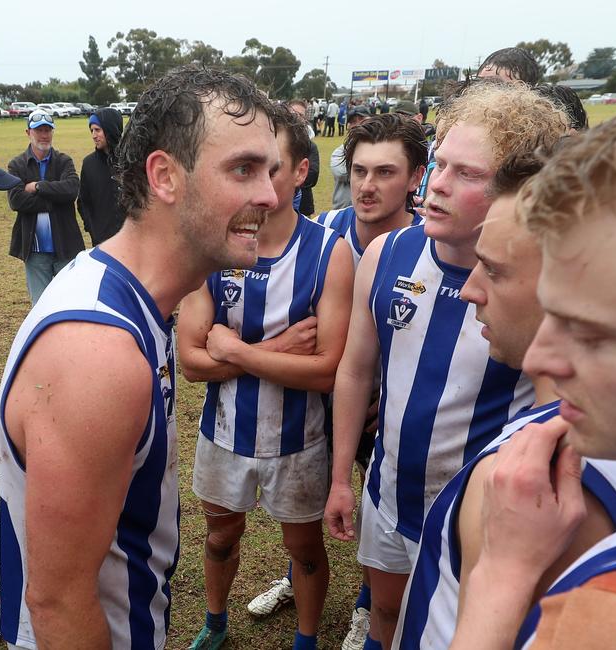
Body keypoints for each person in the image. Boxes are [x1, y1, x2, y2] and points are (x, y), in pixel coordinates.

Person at [0, 64, 280, 650]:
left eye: (271, 172)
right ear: (164, 176)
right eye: (244, 169)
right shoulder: (99, 354)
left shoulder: (128, 292)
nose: (272, 195)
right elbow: (57, 600)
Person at [324, 82, 568, 650]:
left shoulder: (540, 295)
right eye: (439, 163)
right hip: (388, 491)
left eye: (468, 174)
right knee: (385, 612)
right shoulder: (389, 253)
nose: (437, 184)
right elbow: (357, 370)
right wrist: (342, 477)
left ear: (519, 191)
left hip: (474, 512)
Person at [393, 145, 616, 649]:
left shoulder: (545, 483)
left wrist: (502, 576)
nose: (468, 290)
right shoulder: (601, 429)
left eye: (497, 270)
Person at [248, 113, 427, 650]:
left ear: (416, 177)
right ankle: (295, 574)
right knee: (306, 504)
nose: (368, 186)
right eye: (360, 170)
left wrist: (382, 392)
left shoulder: (427, 245)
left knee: (378, 515)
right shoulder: (322, 230)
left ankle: (367, 605)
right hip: (315, 399)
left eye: (385, 173)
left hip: (383, 415)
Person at [178, 104, 353, 650]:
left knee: (303, 551)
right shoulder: (215, 243)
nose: (257, 182)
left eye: (269, 166)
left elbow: (326, 372)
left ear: (301, 171)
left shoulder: (331, 252)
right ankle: (214, 623)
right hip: (223, 435)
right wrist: (277, 350)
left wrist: (231, 347)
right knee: (220, 537)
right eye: (245, 167)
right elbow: (190, 361)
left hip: (299, 442)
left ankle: (305, 640)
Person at [7, 109, 82, 305]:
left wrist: (38, 186)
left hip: (65, 247)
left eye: (48, 130)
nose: (44, 135)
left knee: (67, 304)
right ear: (28, 133)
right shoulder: (16, 165)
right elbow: (16, 200)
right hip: (35, 250)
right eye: (38, 130)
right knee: (41, 307)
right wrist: (54, 200)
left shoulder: (64, 161)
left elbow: (71, 190)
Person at [77, 107, 125, 246]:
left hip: (132, 242)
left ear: (110, 129)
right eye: (92, 130)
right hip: (102, 242)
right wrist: (93, 229)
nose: (93, 135)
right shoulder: (89, 164)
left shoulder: (131, 161)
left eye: (98, 130)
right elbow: (83, 202)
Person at [330, 105, 370, 210]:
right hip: (343, 211)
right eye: (353, 122)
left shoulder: (383, 149)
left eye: (362, 119)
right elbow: (341, 173)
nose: (358, 124)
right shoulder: (339, 152)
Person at [289, 99, 320, 216]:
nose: (296, 118)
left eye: (300, 115)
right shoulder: (273, 142)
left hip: (303, 206)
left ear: (305, 120)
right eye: (293, 114)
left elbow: (312, 175)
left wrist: (286, 181)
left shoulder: (310, 146)